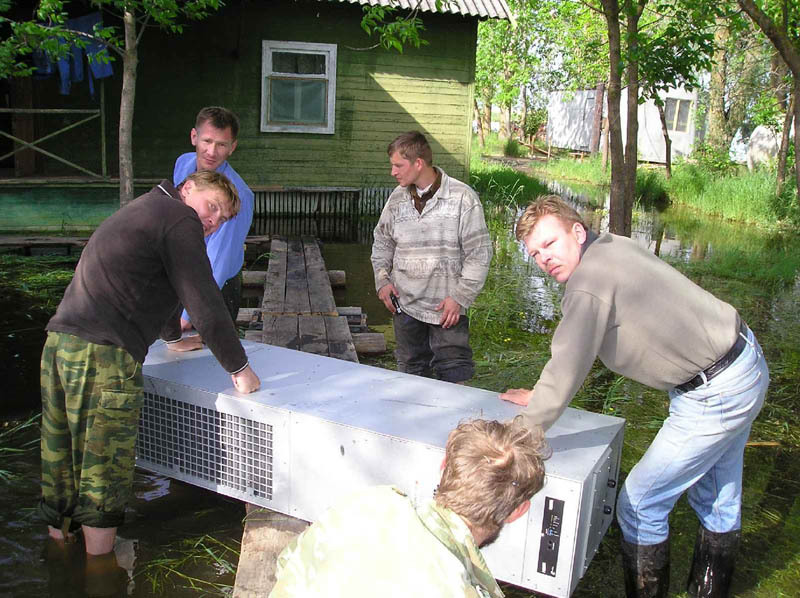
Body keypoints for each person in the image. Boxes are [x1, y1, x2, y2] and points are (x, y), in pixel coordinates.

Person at [500, 196, 769, 598]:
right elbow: (573, 358)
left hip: (715, 393)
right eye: (536, 253)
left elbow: (568, 365)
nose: (544, 258)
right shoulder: (611, 245)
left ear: (577, 231)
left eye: (550, 244)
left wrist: (518, 437)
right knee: (717, 497)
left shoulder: (589, 283)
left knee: (640, 504)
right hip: (743, 360)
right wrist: (542, 394)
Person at [39, 171, 261, 562]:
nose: (212, 221)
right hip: (103, 354)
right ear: (187, 188)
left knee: (62, 456)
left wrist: (172, 339)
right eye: (212, 207)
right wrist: (239, 367)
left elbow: (156, 285)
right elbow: (204, 298)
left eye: (222, 219)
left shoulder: (147, 210)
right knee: (102, 467)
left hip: (59, 346)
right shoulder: (179, 217)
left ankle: (60, 554)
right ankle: (101, 572)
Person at [269, 418, 547, 598]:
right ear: (518, 510)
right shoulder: (462, 590)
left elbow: (287, 564)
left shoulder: (371, 501)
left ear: (443, 466)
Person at [371, 131, 492, 384]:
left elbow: (479, 254)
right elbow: (382, 242)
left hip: (446, 310)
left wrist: (460, 297)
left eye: (398, 165)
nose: (393, 172)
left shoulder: (462, 198)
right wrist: (382, 281)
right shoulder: (396, 199)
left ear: (418, 163)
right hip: (404, 307)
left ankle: (456, 425)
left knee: (455, 376)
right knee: (411, 376)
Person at [173, 106, 255, 329]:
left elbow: (220, 262)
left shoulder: (239, 195)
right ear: (194, 137)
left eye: (221, 145)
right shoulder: (183, 164)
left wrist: (186, 318)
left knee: (211, 360)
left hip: (216, 289)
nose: (211, 151)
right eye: (207, 141)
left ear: (233, 147)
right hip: (184, 275)